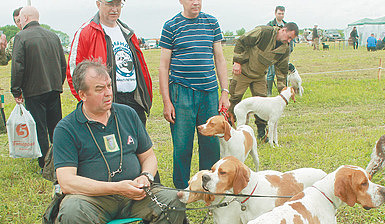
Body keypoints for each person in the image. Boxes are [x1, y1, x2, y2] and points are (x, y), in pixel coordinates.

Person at [54, 60, 185, 224]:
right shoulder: (67, 128)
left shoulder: (127, 114)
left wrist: (146, 177)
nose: (108, 93)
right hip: (93, 200)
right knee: (70, 211)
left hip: (135, 194)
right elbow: (67, 181)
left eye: (109, 86)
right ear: (82, 94)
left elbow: (148, 157)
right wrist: (116, 187)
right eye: (100, 88)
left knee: (174, 200)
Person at [159, 0, 229, 189]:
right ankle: (183, 189)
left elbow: (220, 59)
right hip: (181, 93)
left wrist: (224, 91)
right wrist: (167, 101)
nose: (196, 2)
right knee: (182, 146)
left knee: (210, 146)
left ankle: (208, 188)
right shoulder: (171, 26)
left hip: (209, 93)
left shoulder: (211, 23)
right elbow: (164, 66)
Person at [67, 0, 153, 127]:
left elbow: (140, 67)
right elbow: (74, 72)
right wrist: (90, 102)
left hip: (133, 101)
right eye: (110, 4)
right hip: (105, 102)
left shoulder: (127, 32)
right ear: (98, 4)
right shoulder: (86, 32)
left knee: (137, 144)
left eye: (118, 4)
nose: (115, 9)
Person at [10, 6, 66, 169]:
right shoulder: (53, 36)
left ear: (25, 18)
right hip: (54, 88)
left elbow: (18, 66)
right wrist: (57, 83)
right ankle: (61, 161)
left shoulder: (21, 37)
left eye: (19, 19)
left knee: (39, 127)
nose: (19, 22)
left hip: (34, 90)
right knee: (56, 126)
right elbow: (62, 65)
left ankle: (45, 164)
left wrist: (16, 90)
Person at [229, 22, 299, 142]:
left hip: (259, 76)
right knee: (234, 99)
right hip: (243, 71)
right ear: (283, 30)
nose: (288, 41)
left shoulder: (284, 49)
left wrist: (283, 90)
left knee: (262, 102)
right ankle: (229, 131)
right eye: (289, 37)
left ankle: (262, 133)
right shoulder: (264, 32)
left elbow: (282, 70)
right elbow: (242, 41)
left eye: (291, 40)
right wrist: (237, 62)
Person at [266, 5, 288, 96]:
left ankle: (284, 93)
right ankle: (268, 92)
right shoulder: (270, 24)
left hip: (283, 54)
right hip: (272, 53)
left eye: (282, 14)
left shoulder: (286, 25)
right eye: (279, 13)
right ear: (275, 13)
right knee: (270, 74)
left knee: (283, 74)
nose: (281, 15)